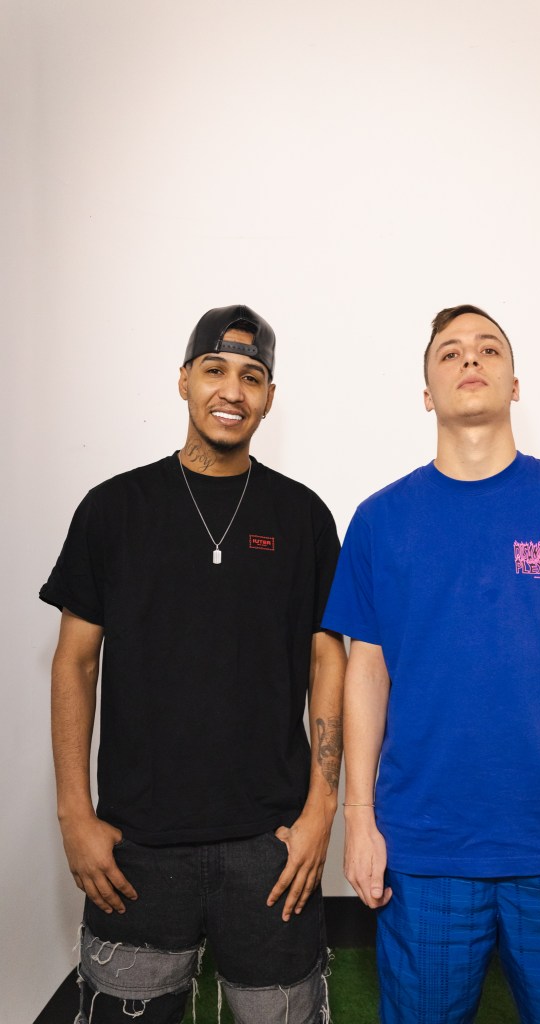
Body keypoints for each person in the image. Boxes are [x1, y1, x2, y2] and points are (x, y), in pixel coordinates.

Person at [322, 304, 540, 1024]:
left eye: (488, 349)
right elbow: (365, 672)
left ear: (515, 384)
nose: (470, 359)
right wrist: (358, 820)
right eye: (449, 352)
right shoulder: (380, 520)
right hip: (424, 856)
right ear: (426, 393)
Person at [40, 304, 346, 1024]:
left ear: (269, 395)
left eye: (251, 377)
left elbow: (327, 661)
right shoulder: (114, 509)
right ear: (183, 380)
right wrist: (74, 812)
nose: (231, 391)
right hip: (136, 847)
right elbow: (75, 662)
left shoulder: (303, 516)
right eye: (214, 370)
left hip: (270, 849)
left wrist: (321, 809)